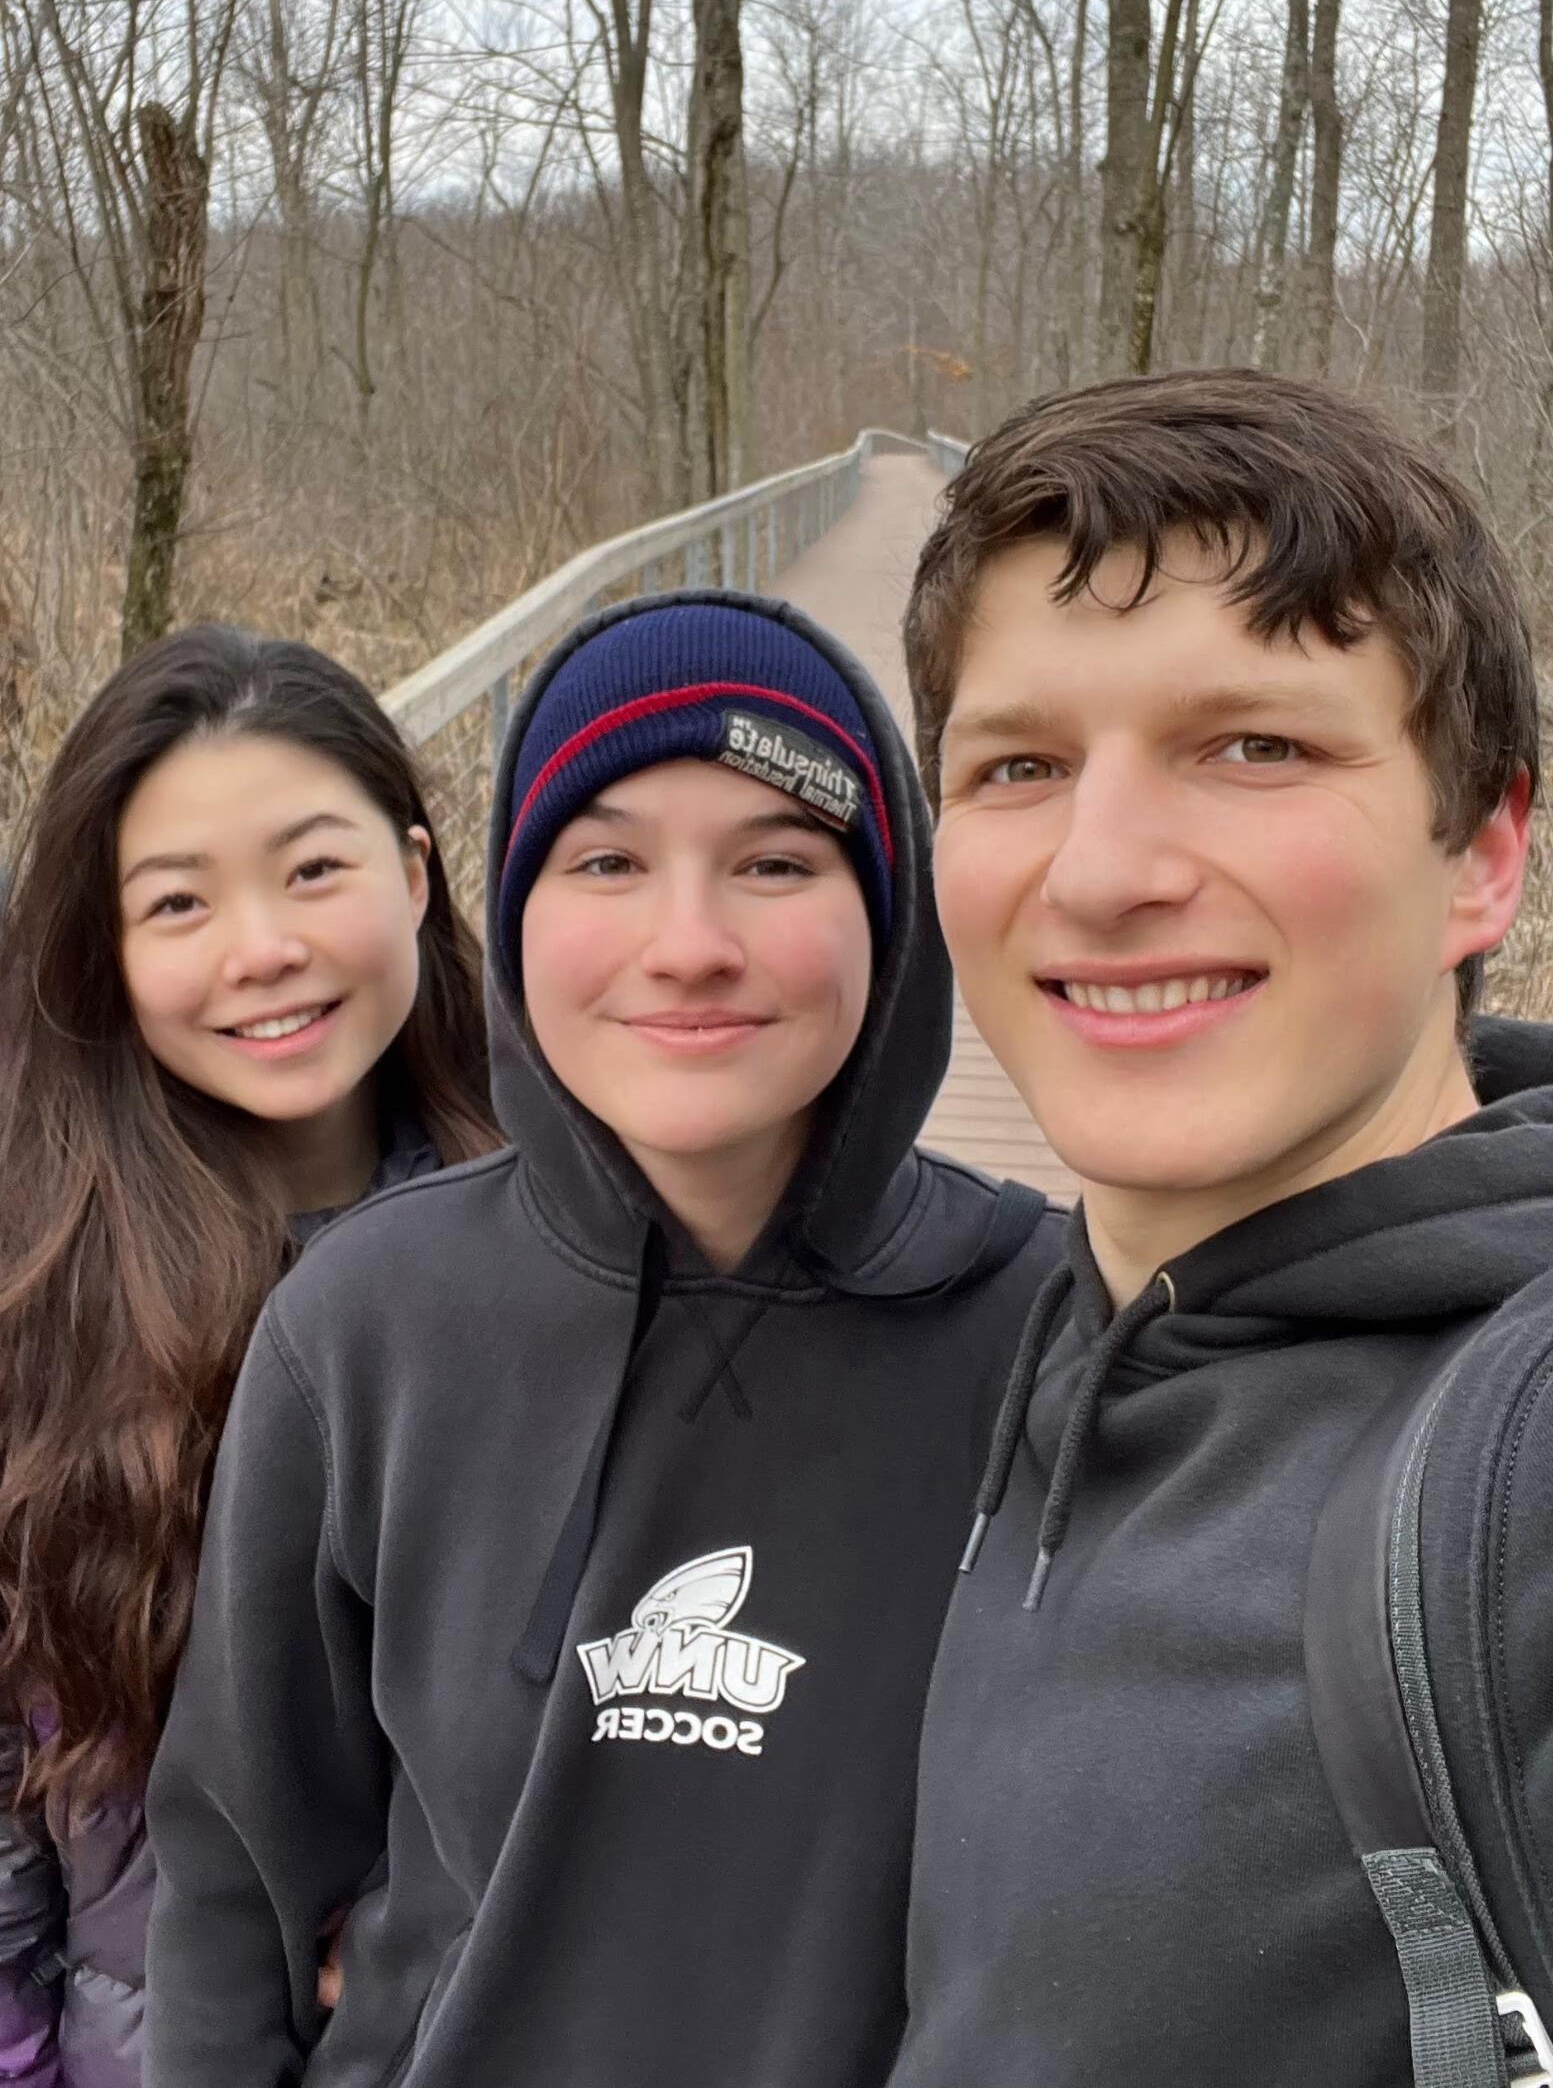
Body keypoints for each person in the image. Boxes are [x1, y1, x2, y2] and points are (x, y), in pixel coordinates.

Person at [142, 590, 1056, 2088]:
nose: (688, 946)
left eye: (777, 861)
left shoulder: (1048, 1328)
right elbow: (233, 1878)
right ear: (511, 914)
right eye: (608, 861)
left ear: (894, 913)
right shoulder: (365, 1326)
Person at [883, 369, 1553, 2088]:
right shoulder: (1049, 1339)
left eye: (1253, 747)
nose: (1099, 871)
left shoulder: (1522, 1464)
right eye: (1020, 765)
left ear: (1481, 854)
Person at [0, 625, 497, 2088]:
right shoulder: (37, 1298)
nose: (261, 948)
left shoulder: (573, 1245)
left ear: (415, 874)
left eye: (313, 870)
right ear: (107, 950)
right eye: (178, 901)